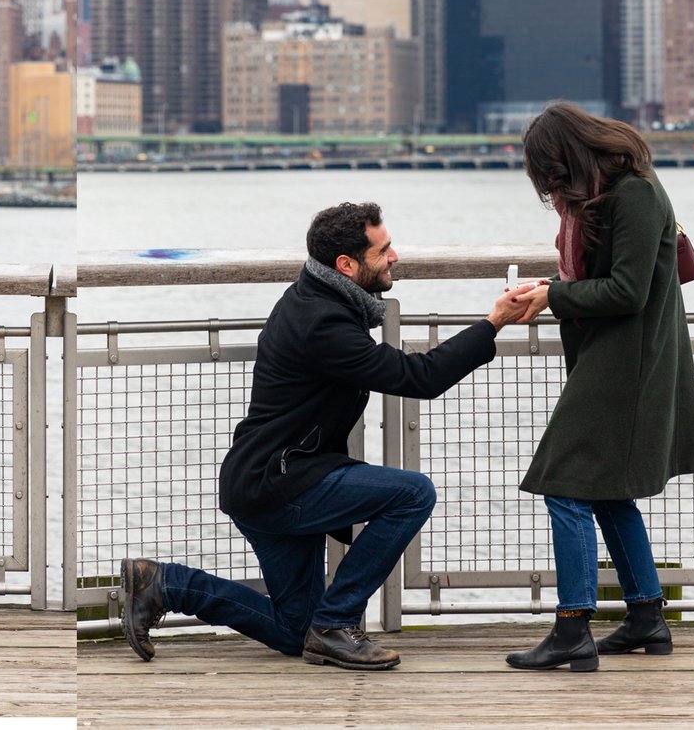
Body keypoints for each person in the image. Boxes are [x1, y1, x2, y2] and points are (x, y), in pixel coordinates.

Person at [119, 201, 541, 671]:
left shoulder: (319, 298)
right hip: (279, 483)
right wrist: (493, 323)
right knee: (412, 494)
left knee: (293, 632)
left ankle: (164, 584)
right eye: (383, 250)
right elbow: (419, 379)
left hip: (265, 481)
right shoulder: (323, 322)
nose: (395, 256)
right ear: (346, 264)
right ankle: (336, 624)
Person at [501, 102, 694, 673]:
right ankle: (645, 616)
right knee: (608, 490)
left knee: (563, 483)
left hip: (630, 367)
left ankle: (572, 627)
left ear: (570, 156)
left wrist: (554, 297)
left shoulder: (636, 194)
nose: (549, 186)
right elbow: (609, 280)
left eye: (550, 172)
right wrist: (557, 289)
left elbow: (629, 291)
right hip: (613, 359)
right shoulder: (609, 194)